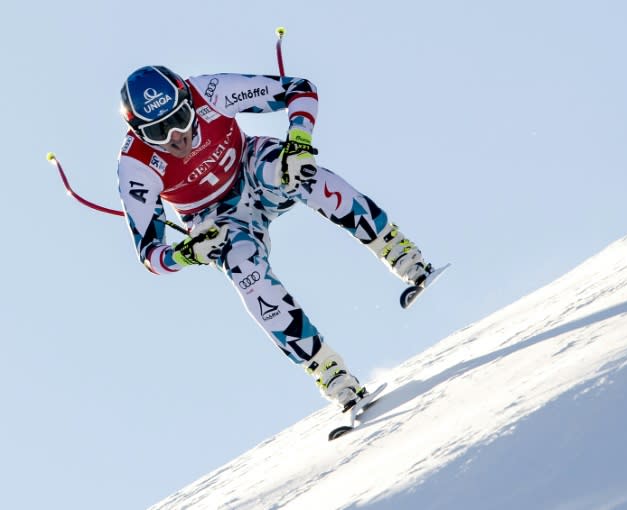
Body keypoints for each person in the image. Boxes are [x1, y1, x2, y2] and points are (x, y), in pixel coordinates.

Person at [117, 65, 435, 411]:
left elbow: (300, 88)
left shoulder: (209, 91)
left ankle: (402, 254)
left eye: (179, 118)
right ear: (137, 132)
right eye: (158, 131)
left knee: (300, 173)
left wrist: (299, 142)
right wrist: (188, 253)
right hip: (216, 220)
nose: (176, 137)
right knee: (242, 268)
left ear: (188, 101)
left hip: (252, 166)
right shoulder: (136, 166)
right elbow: (150, 254)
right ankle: (332, 376)